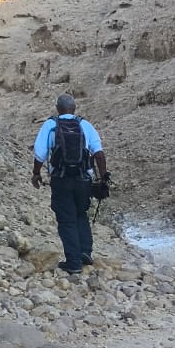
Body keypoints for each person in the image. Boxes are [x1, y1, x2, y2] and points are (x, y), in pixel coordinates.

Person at [32, 94, 107, 276]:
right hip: (83, 179)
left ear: (58, 108)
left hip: (61, 179)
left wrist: (36, 173)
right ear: (74, 108)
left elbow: (40, 153)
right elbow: (98, 154)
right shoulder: (85, 125)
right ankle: (85, 252)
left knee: (66, 219)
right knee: (81, 214)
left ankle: (73, 263)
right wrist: (103, 178)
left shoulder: (50, 125)